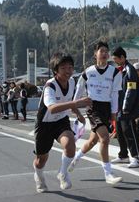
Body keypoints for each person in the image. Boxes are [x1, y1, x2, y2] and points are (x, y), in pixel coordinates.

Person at [33, 53, 91, 193]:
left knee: (70, 144)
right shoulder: (50, 87)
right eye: (63, 67)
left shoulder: (71, 82)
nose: (68, 71)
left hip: (61, 121)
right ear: (56, 70)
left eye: (70, 67)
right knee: (41, 159)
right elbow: (52, 108)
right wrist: (76, 103)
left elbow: (68, 101)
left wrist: (77, 113)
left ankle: (63, 173)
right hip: (45, 124)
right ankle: (39, 176)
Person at [69, 41, 123, 184]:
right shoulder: (88, 72)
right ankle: (108, 173)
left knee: (93, 141)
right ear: (96, 54)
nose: (104, 53)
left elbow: (115, 94)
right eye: (101, 51)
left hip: (106, 107)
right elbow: (79, 89)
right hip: (93, 107)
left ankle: (76, 157)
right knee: (105, 138)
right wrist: (74, 105)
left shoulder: (115, 72)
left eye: (106, 51)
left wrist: (114, 112)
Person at [111, 47, 139, 168]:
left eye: (116, 59)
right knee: (120, 131)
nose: (115, 61)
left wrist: (126, 106)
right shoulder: (120, 70)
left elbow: (131, 90)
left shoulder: (130, 70)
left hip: (127, 108)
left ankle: (136, 157)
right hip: (119, 106)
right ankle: (123, 154)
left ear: (122, 57)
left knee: (129, 131)